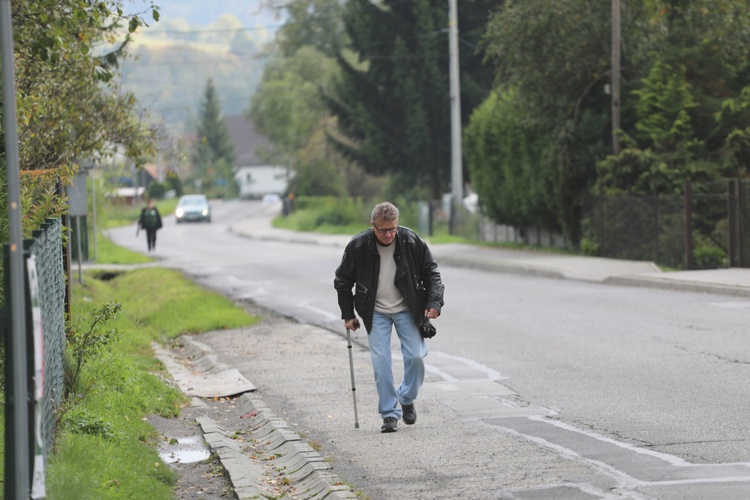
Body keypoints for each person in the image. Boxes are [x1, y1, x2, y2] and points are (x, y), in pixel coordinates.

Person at [334, 202, 444, 433]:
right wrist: (348, 314)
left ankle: (406, 397)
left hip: (407, 307)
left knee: (415, 356)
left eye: (392, 229)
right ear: (373, 225)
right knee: (381, 361)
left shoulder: (410, 240)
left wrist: (434, 303)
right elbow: (343, 280)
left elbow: (431, 272)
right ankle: (389, 414)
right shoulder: (359, 246)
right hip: (376, 311)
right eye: (383, 230)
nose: (388, 234)